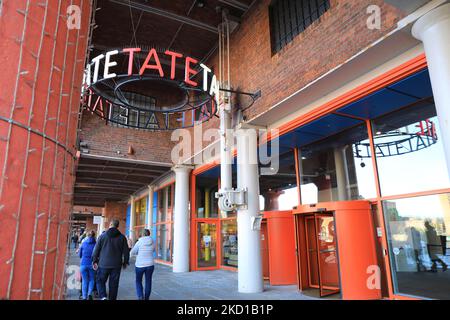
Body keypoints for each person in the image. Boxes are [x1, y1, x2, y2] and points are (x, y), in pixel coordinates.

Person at [92, 219, 130, 300]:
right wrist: (125, 262)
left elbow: (96, 250)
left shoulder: (102, 236)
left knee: (100, 281)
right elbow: (126, 251)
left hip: (103, 264)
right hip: (116, 265)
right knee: (114, 284)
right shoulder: (122, 237)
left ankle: (103, 296)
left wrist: (94, 260)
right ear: (117, 226)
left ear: (110, 224)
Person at [130, 229, 155, 300]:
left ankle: (140, 296)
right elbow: (153, 250)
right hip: (150, 264)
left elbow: (133, 252)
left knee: (138, 281)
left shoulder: (139, 242)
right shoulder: (152, 241)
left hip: (140, 265)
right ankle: (147, 298)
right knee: (148, 281)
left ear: (142, 234)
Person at [79, 230, 97, 300]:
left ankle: (84, 297)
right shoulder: (96, 244)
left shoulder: (83, 243)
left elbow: (80, 255)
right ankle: (89, 294)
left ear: (87, 236)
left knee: (84, 280)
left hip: (83, 264)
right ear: (94, 236)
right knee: (92, 279)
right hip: (92, 264)